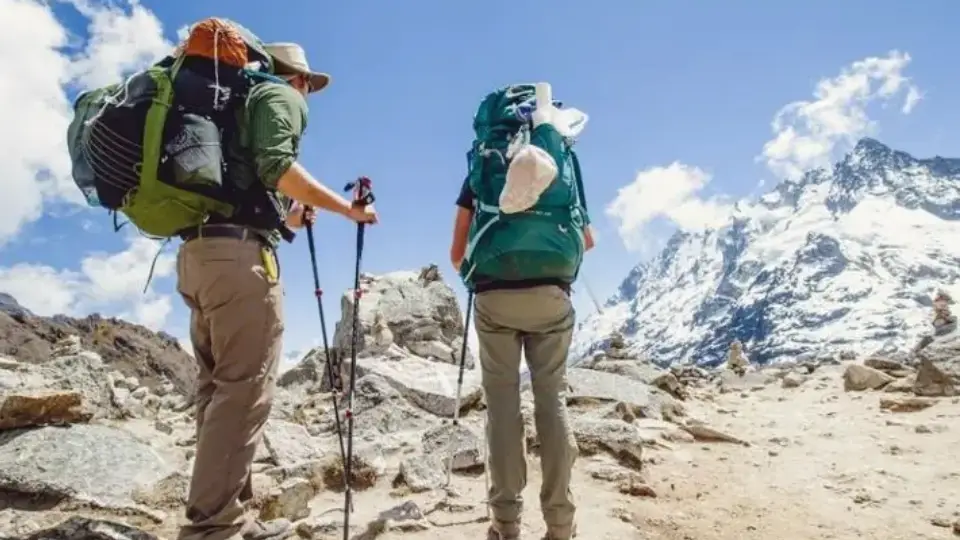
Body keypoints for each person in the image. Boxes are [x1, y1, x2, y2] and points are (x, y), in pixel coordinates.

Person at [176, 40, 378, 540]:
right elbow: (278, 167)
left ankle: (227, 510)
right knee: (245, 390)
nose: (307, 95)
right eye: (309, 85)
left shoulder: (227, 105)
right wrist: (348, 210)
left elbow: (243, 190)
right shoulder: (277, 94)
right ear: (300, 79)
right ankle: (214, 526)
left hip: (198, 256)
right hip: (239, 264)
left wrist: (286, 221)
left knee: (217, 388)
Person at [448, 86, 595, 540]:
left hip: (494, 297)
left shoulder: (483, 165)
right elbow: (587, 240)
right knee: (551, 401)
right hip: (552, 293)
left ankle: (505, 523)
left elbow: (457, 253)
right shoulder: (563, 161)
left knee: (502, 406)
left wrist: (483, 273)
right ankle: (560, 524)